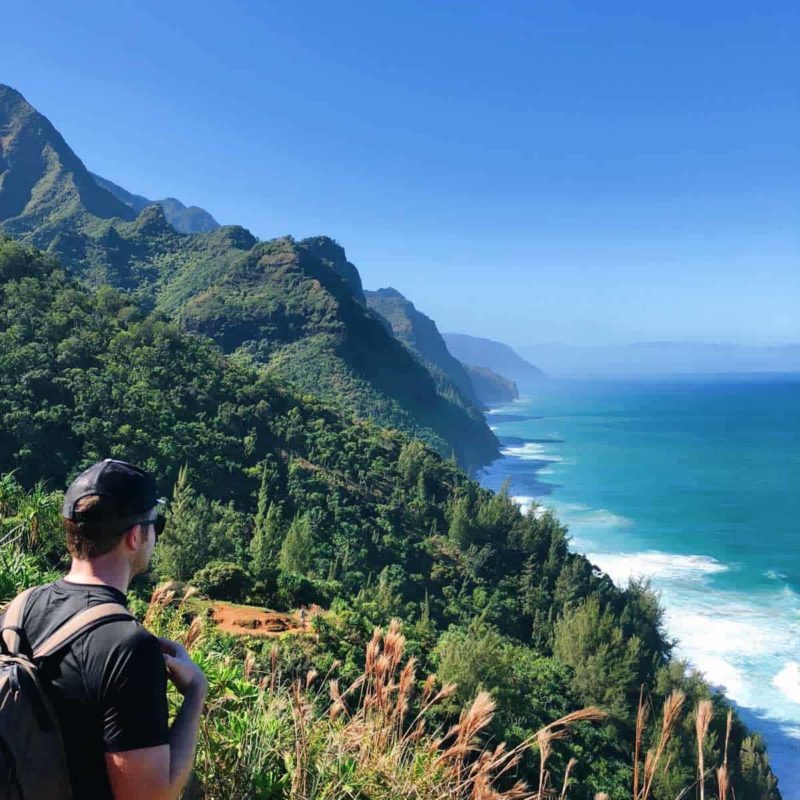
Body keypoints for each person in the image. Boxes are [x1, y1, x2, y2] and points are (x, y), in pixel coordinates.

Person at [7, 459, 207, 800]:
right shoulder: (128, 648)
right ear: (135, 536)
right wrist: (196, 692)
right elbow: (151, 797)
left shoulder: (19, 608)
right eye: (156, 523)